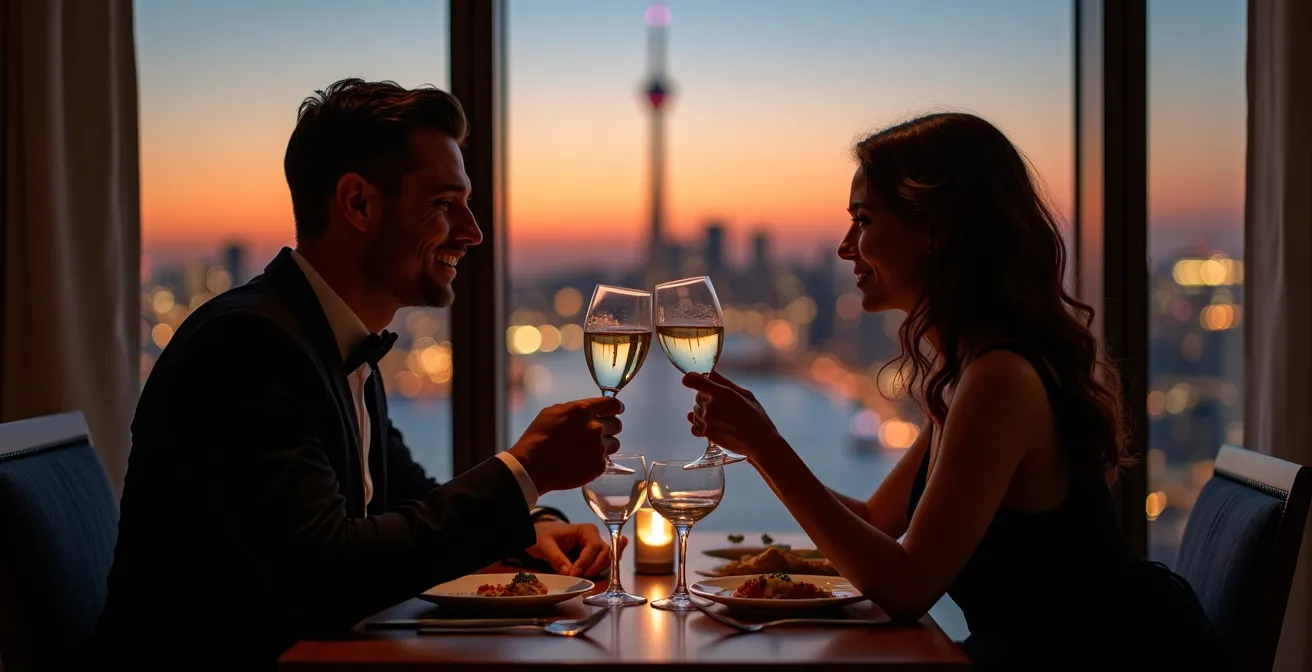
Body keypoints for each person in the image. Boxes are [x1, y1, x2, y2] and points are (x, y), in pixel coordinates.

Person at [92, 79, 625, 667]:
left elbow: (411, 499)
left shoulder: (331, 340)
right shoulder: (246, 344)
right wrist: (525, 471)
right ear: (358, 204)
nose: (473, 232)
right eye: (445, 204)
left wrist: (531, 528)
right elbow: (325, 574)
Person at [683, 113, 1222, 666]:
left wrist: (767, 446)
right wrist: (756, 446)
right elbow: (873, 523)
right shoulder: (973, 374)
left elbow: (908, 586)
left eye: (863, 220)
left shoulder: (1000, 380)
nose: (846, 247)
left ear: (936, 230)